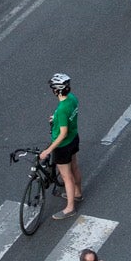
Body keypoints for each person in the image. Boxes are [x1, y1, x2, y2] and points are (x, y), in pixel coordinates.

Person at [42, 73, 82, 219]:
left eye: (53, 88)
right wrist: (56, 118)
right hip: (74, 139)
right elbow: (69, 117)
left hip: (63, 145)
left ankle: (70, 208)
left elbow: (63, 133)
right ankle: (78, 193)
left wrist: (48, 150)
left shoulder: (62, 108)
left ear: (57, 90)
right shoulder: (72, 99)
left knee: (67, 177)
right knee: (75, 167)